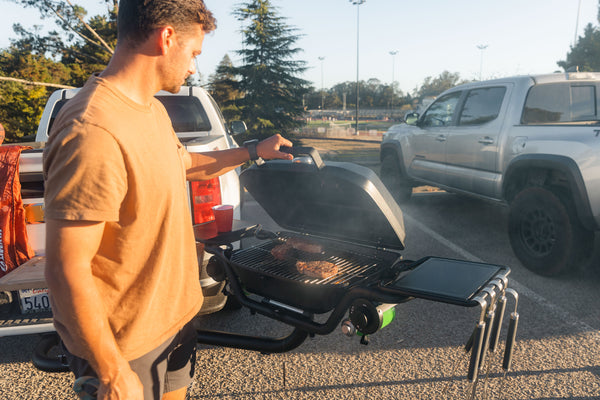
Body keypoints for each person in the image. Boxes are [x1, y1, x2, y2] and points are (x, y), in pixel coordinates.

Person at [42, 1, 293, 399]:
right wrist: (110, 372)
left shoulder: (151, 110)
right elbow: (65, 267)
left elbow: (184, 163)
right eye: (194, 53)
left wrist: (251, 151)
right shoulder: (92, 130)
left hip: (172, 322)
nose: (194, 66)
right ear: (167, 38)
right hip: (125, 346)